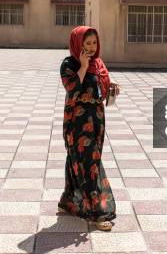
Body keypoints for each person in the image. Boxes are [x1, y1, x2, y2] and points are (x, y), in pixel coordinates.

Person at [58, 26, 120, 231]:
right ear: (78, 43)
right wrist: (83, 67)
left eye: (94, 43)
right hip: (77, 120)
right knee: (89, 162)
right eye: (87, 43)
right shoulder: (69, 64)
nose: (92, 47)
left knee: (78, 159)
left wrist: (112, 89)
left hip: (97, 118)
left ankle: (69, 201)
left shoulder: (99, 64)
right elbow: (72, 89)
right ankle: (97, 213)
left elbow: (100, 92)